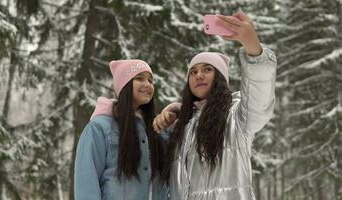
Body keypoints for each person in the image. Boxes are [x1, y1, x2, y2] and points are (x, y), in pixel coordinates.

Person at [153, 11, 277, 200]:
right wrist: (169, 124)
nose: (199, 75)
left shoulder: (236, 116)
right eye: (193, 72)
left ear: (220, 78)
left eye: (207, 69)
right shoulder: (183, 126)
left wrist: (253, 47)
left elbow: (259, 99)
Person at [74, 59, 167, 200]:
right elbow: (86, 181)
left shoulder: (156, 129)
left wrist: (176, 112)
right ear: (125, 85)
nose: (147, 84)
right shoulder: (100, 127)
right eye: (139, 78)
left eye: (150, 80)